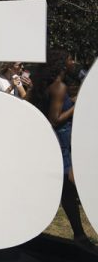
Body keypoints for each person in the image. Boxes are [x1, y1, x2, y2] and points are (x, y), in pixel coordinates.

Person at [29, 50, 97, 254]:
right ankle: (80, 235)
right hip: (62, 144)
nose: (72, 62)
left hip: (56, 142)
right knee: (77, 184)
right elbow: (55, 119)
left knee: (67, 191)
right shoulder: (59, 87)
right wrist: (77, 105)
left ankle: (80, 235)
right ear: (61, 64)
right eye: (69, 59)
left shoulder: (48, 86)